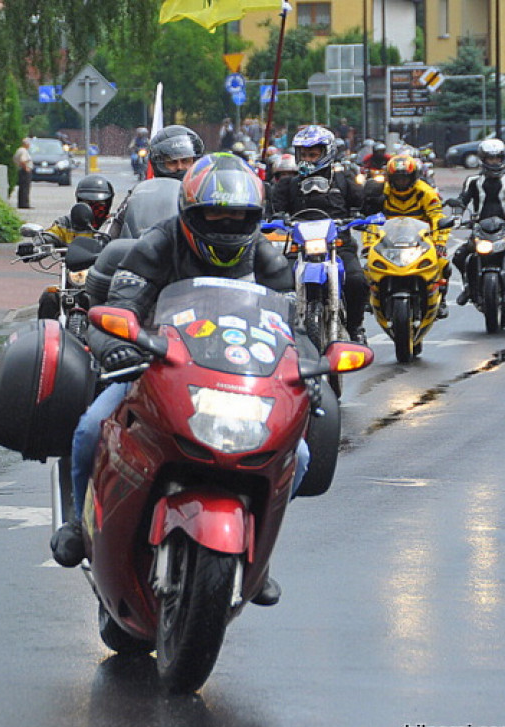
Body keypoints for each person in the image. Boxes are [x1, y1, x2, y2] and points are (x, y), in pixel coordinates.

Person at [52, 154, 297, 606]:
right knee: (90, 427)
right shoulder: (154, 246)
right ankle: (76, 522)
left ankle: (258, 557)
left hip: (240, 379)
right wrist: (119, 348)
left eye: (239, 216)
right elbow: (118, 312)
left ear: (255, 218)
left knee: (296, 454)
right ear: (188, 213)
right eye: (215, 214)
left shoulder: (267, 257)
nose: (226, 224)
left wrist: (308, 370)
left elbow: (295, 330)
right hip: (155, 368)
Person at [270, 124, 369, 343]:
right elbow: (274, 209)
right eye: (303, 154)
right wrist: (275, 218)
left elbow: (364, 203)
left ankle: (355, 328)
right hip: (299, 248)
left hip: (338, 245)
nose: (308, 159)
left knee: (357, 281)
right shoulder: (288, 184)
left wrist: (364, 214)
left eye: (313, 154)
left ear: (327, 153)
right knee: (277, 283)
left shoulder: (343, 181)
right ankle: (277, 334)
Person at [362, 153, 450, 316]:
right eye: (397, 178)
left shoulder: (426, 192)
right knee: (368, 266)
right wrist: (368, 244)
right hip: (389, 240)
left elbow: (437, 217)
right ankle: (370, 297)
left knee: (443, 263)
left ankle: (441, 300)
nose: (401, 182)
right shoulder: (381, 192)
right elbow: (372, 220)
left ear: (413, 177)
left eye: (405, 178)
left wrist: (439, 242)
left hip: (421, 240)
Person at [32, 175, 114, 320]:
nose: (93, 209)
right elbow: (51, 235)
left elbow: (129, 240)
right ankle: (47, 337)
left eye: (99, 204)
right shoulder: (66, 223)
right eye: (87, 203)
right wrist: (37, 245)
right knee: (49, 296)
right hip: (71, 285)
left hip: (105, 285)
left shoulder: (113, 225)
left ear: (108, 203)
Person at [445, 138, 505, 305]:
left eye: (497, 158)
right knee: (460, 256)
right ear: (483, 159)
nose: (494, 162)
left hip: (504, 228)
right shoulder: (473, 181)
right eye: (490, 158)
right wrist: (456, 217)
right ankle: (469, 288)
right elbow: (462, 200)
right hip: (480, 227)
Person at [13, 138, 34, 209]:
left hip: (20, 170)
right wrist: (26, 168)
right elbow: (23, 160)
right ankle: (25, 204)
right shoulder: (24, 151)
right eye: (29, 144)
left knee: (22, 187)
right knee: (25, 187)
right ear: (26, 144)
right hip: (24, 171)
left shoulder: (19, 150)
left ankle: (21, 203)